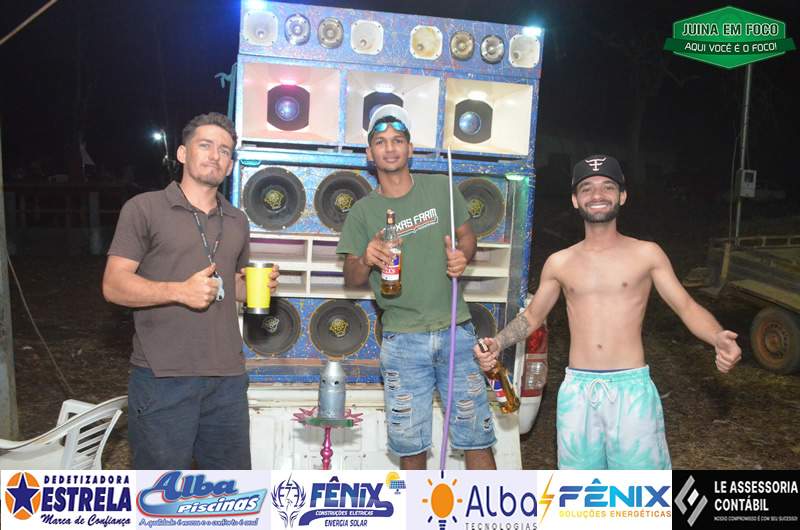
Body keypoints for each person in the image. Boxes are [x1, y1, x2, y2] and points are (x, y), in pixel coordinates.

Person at [475, 154, 742, 470]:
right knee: (581, 491)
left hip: (632, 391)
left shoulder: (647, 254)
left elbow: (685, 306)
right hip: (577, 393)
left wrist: (717, 337)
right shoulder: (560, 262)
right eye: (586, 188)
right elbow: (532, 316)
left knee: (639, 492)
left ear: (622, 196)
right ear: (575, 200)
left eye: (607, 187)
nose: (597, 195)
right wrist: (499, 342)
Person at [102, 112, 279, 469]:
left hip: (227, 378)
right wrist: (179, 291)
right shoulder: (145, 208)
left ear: (231, 165)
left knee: (230, 491)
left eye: (225, 151)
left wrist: (253, 288)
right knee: (161, 492)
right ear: (183, 153)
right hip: (163, 377)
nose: (216, 155)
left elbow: (229, 287)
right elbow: (114, 285)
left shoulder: (237, 220)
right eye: (206, 145)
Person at [336, 105, 496, 470]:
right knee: (411, 447)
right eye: (380, 141)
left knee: (477, 438)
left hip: (456, 332)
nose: (390, 148)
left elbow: (467, 236)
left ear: (410, 148)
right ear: (370, 153)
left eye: (398, 140)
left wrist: (463, 256)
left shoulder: (440, 187)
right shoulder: (362, 211)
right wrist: (366, 258)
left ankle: (489, 509)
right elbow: (351, 278)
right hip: (402, 341)